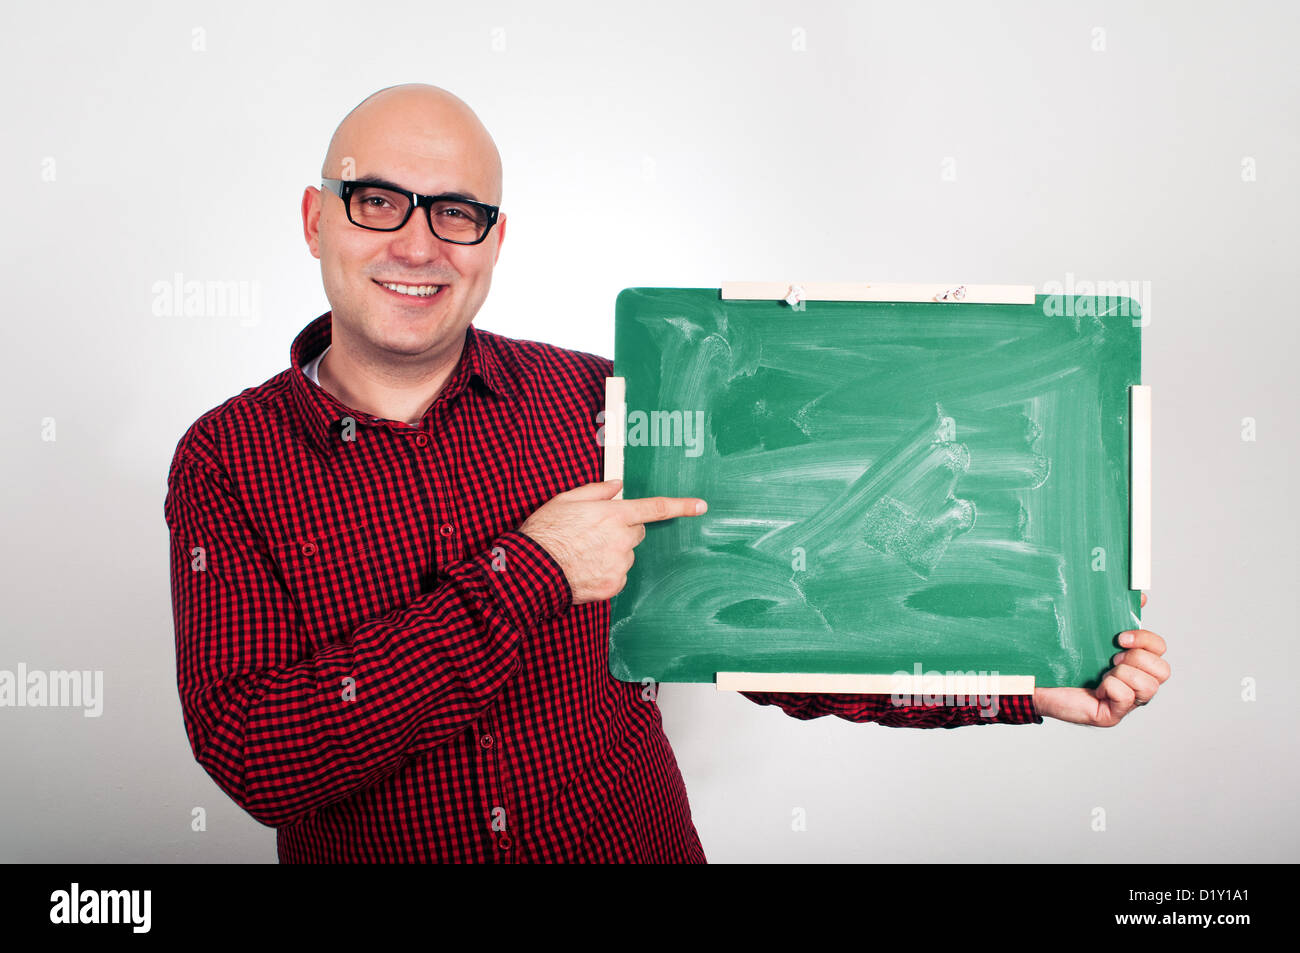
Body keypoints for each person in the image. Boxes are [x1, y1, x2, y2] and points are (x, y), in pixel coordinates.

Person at [164, 83, 1171, 863]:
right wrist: (531, 571)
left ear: (495, 240)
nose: (418, 243)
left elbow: (788, 611)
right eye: (377, 201)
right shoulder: (227, 457)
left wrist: (1019, 682)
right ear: (314, 219)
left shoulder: (603, 404)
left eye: (458, 212)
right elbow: (262, 753)